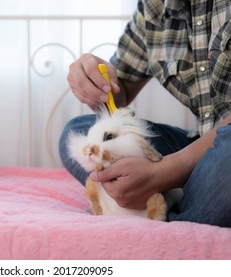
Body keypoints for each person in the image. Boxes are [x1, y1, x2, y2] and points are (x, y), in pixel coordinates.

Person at [59, 0, 231, 227]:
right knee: (77, 131)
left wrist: (165, 172)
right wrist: (96, 83)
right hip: (199, 143)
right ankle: (188, 202)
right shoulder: (154, 7)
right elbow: (121, 89)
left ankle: (167, 211)